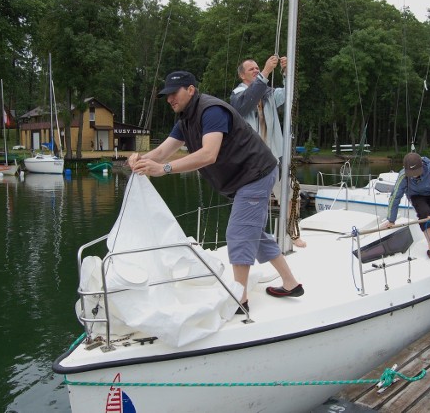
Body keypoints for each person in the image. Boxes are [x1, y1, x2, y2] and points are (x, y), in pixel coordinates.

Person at [128, 70, 304, 314]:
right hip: (246, 176)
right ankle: (290, 284)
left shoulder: (211, 111)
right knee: (253, 231)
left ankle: (239, 300)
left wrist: (164, 169)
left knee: (238, 232)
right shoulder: (186, 119)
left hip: (255, 174)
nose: (169, 99)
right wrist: (141, 159)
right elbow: (161, 152)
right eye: (166, 95)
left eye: (173, 93)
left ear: (190, 90)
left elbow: (208, 154)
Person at [230, 55, 306, 248]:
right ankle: (256, 239)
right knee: (255, 201)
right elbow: (245, 104)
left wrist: (286, 73)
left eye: (257, 68)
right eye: (252, 69)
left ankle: (292, 233)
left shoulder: (268, 93)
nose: (256, 70)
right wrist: (265, 73)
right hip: (253, 160)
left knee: (290, 194)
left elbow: (289, 96)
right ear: (242, 76)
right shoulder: (237, 95)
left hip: (275, 156)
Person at [382, 152, 430, 261]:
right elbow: (395, 197)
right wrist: (391, 219)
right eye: (411, 173)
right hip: (416, 196)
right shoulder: (403, 176)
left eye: (416, 172)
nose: (414, 175)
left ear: (422, 166)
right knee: (424, 214)